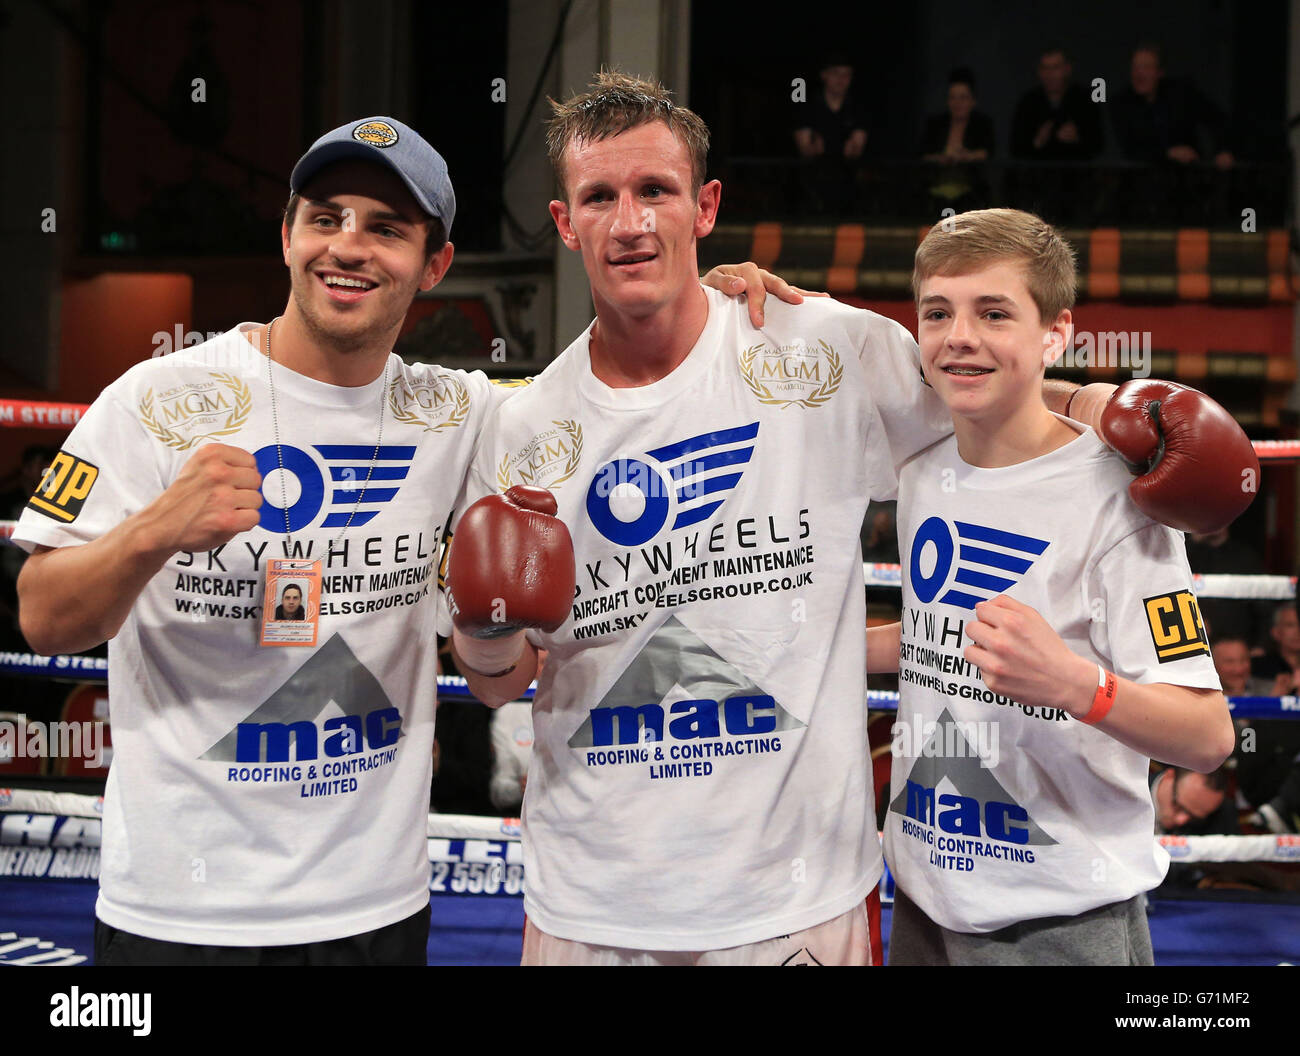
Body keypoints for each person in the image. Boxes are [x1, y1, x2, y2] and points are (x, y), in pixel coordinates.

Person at [444, 75, 1254, 966]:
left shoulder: (816, 344)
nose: (630, 222)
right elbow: (493, 680)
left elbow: (981, 386)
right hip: (592, 897)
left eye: (656, 192)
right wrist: (483, 634)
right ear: (564, 222)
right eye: (600, 197)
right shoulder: (521, 428)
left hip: (801, 894)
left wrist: (1105, 403)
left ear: (704, 205)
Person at [11, 116, 565, 965]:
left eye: (386, 228)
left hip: (374, 910)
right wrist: (155, 531)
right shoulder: (152, 400)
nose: (349, 247)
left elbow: (619, 385)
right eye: (326, 218)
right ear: (287, 237)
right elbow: (44, 618)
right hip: (177, 913)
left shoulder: (459, 412)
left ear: (435, 264)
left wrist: (714, 306)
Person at [868, 208, 1236, 965]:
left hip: (1061, 924)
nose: (959, 335)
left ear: (1056, 331)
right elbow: (942, 636)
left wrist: (1077, 684)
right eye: (938, 312)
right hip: (922, 906)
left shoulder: (1116, 502)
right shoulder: (923, 458)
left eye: (994, 312)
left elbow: (1208, 736)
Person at [1009, 48, 1103, 162]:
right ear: (1039, 72)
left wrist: (1077, 139)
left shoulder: (1085, 100)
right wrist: (1037, 142)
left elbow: (1099, 145)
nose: (1050, 74)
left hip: (1077, 173)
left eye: (1055, 68)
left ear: (1067, 69)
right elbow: (1015, 149)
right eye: (1045, 68)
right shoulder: (1028, 102)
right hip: (1037, 174)